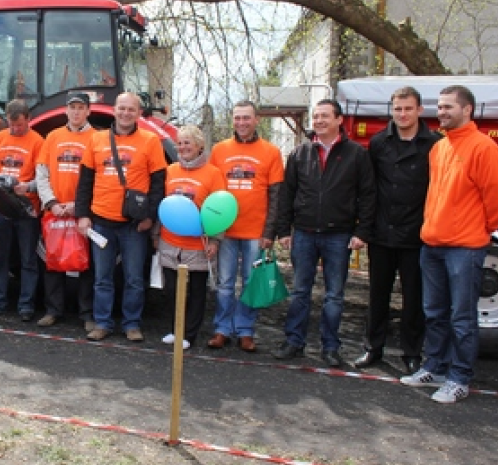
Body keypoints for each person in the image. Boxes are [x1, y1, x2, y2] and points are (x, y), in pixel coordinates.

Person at [400, 85, 498, 403]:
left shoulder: (484, 149)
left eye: (449, 107)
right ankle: (434, 367)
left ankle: (459, 378)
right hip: (432, 245)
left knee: (462, 317)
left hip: (464, 248)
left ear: (467, 110)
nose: (442, 111)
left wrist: (480, 230)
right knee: (434, 312)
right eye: (440, 106)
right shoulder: (439, 148)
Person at [272, 98, 376, 367]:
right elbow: (287, 195)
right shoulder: (299, 154)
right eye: (315, 116)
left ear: (339, 120)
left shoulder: (356, 154)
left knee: (334, 296)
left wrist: (361, 232)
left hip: (339, 235)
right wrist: (284, 230)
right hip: (304, 233)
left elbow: (367, 196)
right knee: (300, 292)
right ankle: (294, 341)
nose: (318, 121)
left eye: (324, 116)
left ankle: (331, 347)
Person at [355, 87, 441, 373]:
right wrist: (365, 229)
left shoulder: (436, 144)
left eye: (407, 109)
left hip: (416, 234)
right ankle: (372, 348)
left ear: (419, 110)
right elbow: (369, 190)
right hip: (382, 233)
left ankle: (411, 353)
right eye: (397, 109)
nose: (402, 114)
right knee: (377, 295)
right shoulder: (379, 143)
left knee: (413, 298)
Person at [75, 92, 168, 342]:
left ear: (138, 113)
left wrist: (150, 217)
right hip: (101, 221)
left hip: (134, 225)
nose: (126, 113)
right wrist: (82, 215)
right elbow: (85, 182)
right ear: (113, 110)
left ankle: (132, 324)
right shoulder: (96, 139)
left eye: (131, 109)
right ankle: (103, 323)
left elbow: (159, 184)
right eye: (122, 108)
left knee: (135, 279)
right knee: (102, 278)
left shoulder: (151, 141)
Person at [208, 101, 284, 353]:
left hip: (256, 232)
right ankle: (222, 329)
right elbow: (212, 192)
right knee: (225, 283)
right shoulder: (219, 150)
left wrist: (269, 232)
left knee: (251, 283)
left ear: (256, 120)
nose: (242, 123)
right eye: (237, 118)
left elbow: (276, 196)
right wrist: (213, 232)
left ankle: (246, 331)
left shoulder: (271, 152)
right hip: (226, 231)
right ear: (232, 120)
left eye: (246, 118)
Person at [155, 125, 225, 349]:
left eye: (188, 143)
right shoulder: (170, 170)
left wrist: (215, 240)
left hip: (198, 244)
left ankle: (189, 335)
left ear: (199, 146)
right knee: (172, 291)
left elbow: (219, 210)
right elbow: (162, 205)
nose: (183, 147)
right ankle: (175, 330)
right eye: (180, 143)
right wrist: (155, 234)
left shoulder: (213, 173)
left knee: (196, 292)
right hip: (170, 242)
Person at [0, 99, 45, 321]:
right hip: (2, 206)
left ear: (28, 120)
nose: (16, 129)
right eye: (12, 125)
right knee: (0, 258)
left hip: (27, 208)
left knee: (28, 259)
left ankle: (26, 306)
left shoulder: (38, 142)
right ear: (7, 119)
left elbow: (44, 178)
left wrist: (28, 186)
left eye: (20, 125)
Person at [35, 93, 96, 330]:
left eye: (81, 108)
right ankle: (53, 310)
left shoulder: (98, 138)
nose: (77, 112)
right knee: (54, 262)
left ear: (88, 111)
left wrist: (79, 207)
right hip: (56, 211)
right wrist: (51, 202)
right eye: (73, 108)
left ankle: (87, 314)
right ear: (66, 111)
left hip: (82, 212)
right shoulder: (52, 137)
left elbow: (100, 178)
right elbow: (42, 173)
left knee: (85, 263)